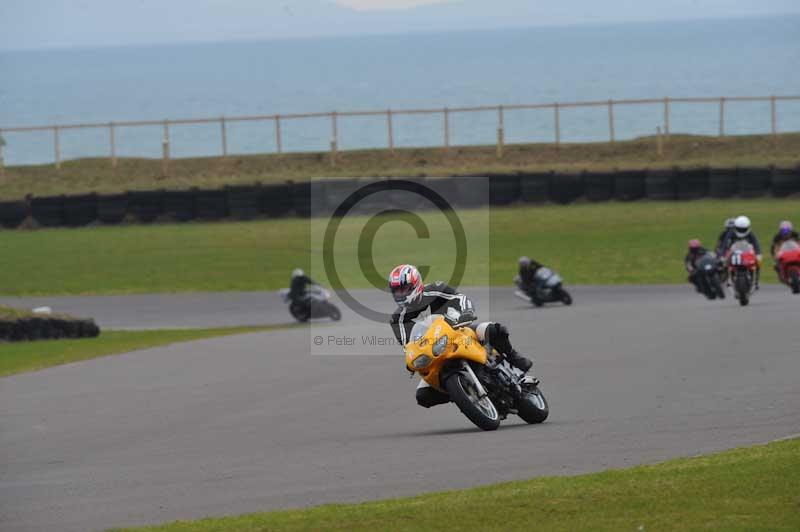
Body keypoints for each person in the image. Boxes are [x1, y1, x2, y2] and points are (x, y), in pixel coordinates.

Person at [388, 264, 533, 409]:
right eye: (396, 291)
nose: (401, 294)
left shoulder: (436, 289)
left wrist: (465, 312)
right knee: (423, 396)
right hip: (433, 351)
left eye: (404, 289)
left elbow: (461, 299)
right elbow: (408, 345)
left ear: (416, 284)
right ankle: (464, 392)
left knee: (494, 330)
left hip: (458, 331)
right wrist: (411, 361)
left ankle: (513, 356)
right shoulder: (397, 319)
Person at [721, 215, 762, 288]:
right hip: (734, 252)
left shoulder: (750, 234)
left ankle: (756, 280)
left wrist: (758, 254)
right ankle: (727, 277)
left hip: (747, 253)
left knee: (757, 262)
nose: (741, 231)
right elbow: (724, 244)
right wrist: (722, 255)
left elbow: (756, 244)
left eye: (743, 229)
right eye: (739, 229)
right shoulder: (731, 233)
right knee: (724, 263)